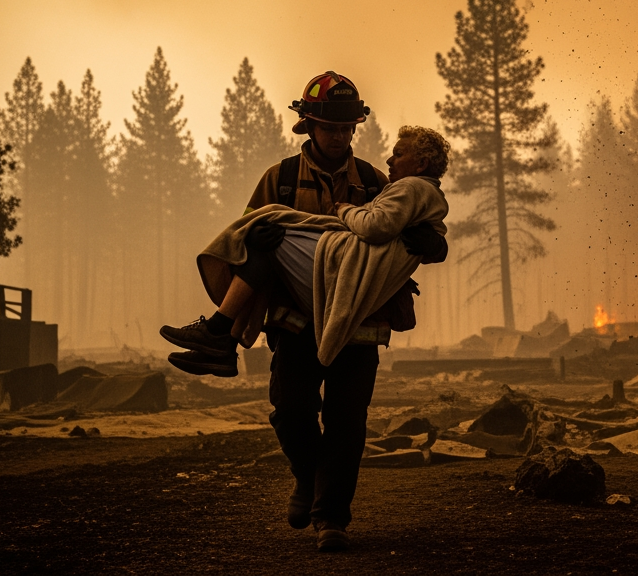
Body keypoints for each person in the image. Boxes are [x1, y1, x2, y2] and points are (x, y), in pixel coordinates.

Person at [160, 72, 449, 553]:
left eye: (346, 129)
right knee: (291, 412)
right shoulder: (281, 179)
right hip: (294, 323)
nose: (339, 137)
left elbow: (416, 233)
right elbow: (244, 235)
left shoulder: (380, 183)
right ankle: (311, 479)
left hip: (358, 324)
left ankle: (331, 519)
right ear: (307, 127)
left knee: (347, 422)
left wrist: (432, 245)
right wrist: (259, 239)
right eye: (329, 128)